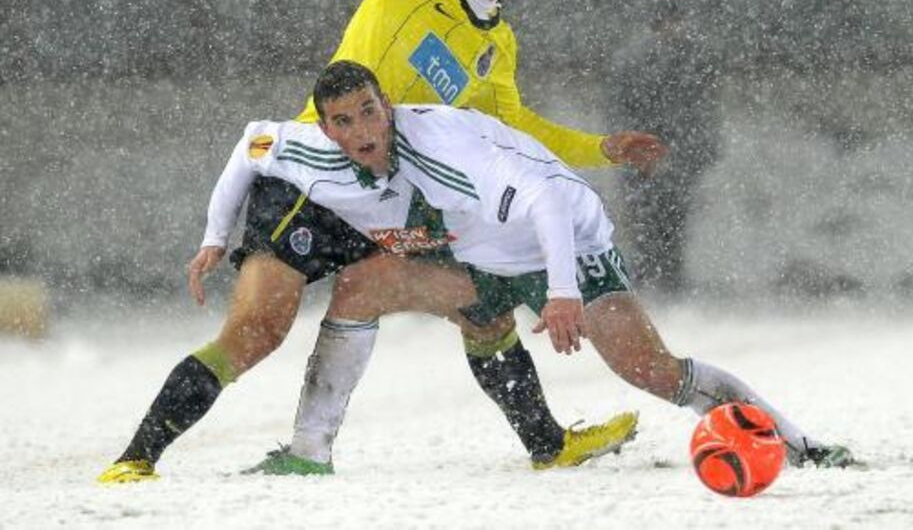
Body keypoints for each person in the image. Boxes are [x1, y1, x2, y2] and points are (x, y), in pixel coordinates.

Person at [97, 0, 663, 483]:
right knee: (257, 330)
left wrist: (602, 149)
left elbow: (515, 129)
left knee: (481, 306)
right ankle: (136, 458)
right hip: (316, 179)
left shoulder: (496, 46)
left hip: (392, 196)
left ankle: (544, 444)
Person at [201, 62, 856, 471]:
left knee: (650, 371)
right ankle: (309, 453)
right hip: (481, 253)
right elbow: (251, 147)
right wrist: (212, 239)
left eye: (371, 111)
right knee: (362, 285)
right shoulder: (311, 144)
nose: (362, 129)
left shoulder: (449, 154)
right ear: (327, 127)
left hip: (561, 244)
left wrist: (563, 292)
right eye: (345, 120)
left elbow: (544, 201)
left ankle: (798, 446)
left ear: (388, 110)